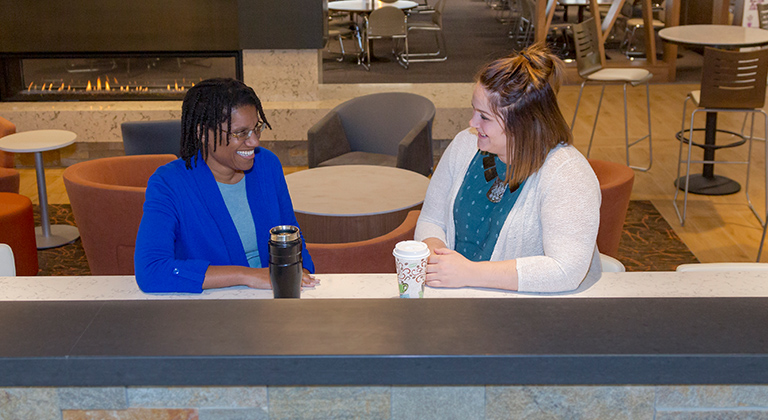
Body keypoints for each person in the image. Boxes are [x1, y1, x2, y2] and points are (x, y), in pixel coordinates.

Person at [415, 44, 601, 293]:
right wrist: (434, 253)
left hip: (533, 311)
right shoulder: (464, 145)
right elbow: (431, 218)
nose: (472, 123)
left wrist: (468, 273)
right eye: (474, 110)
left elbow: (565, 271)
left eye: (484, 117)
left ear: (522, 124)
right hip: (460, 294)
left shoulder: (568, 175)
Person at [134, 78, 317, 293]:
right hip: (212, 310)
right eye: (240, 133)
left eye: (256, 128)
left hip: (275, 298)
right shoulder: (169, 184)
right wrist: (248, 276)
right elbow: (151, 270)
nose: (254, 142)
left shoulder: (267, 164)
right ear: (203, 134)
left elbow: (291, 237)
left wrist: (298, 273)